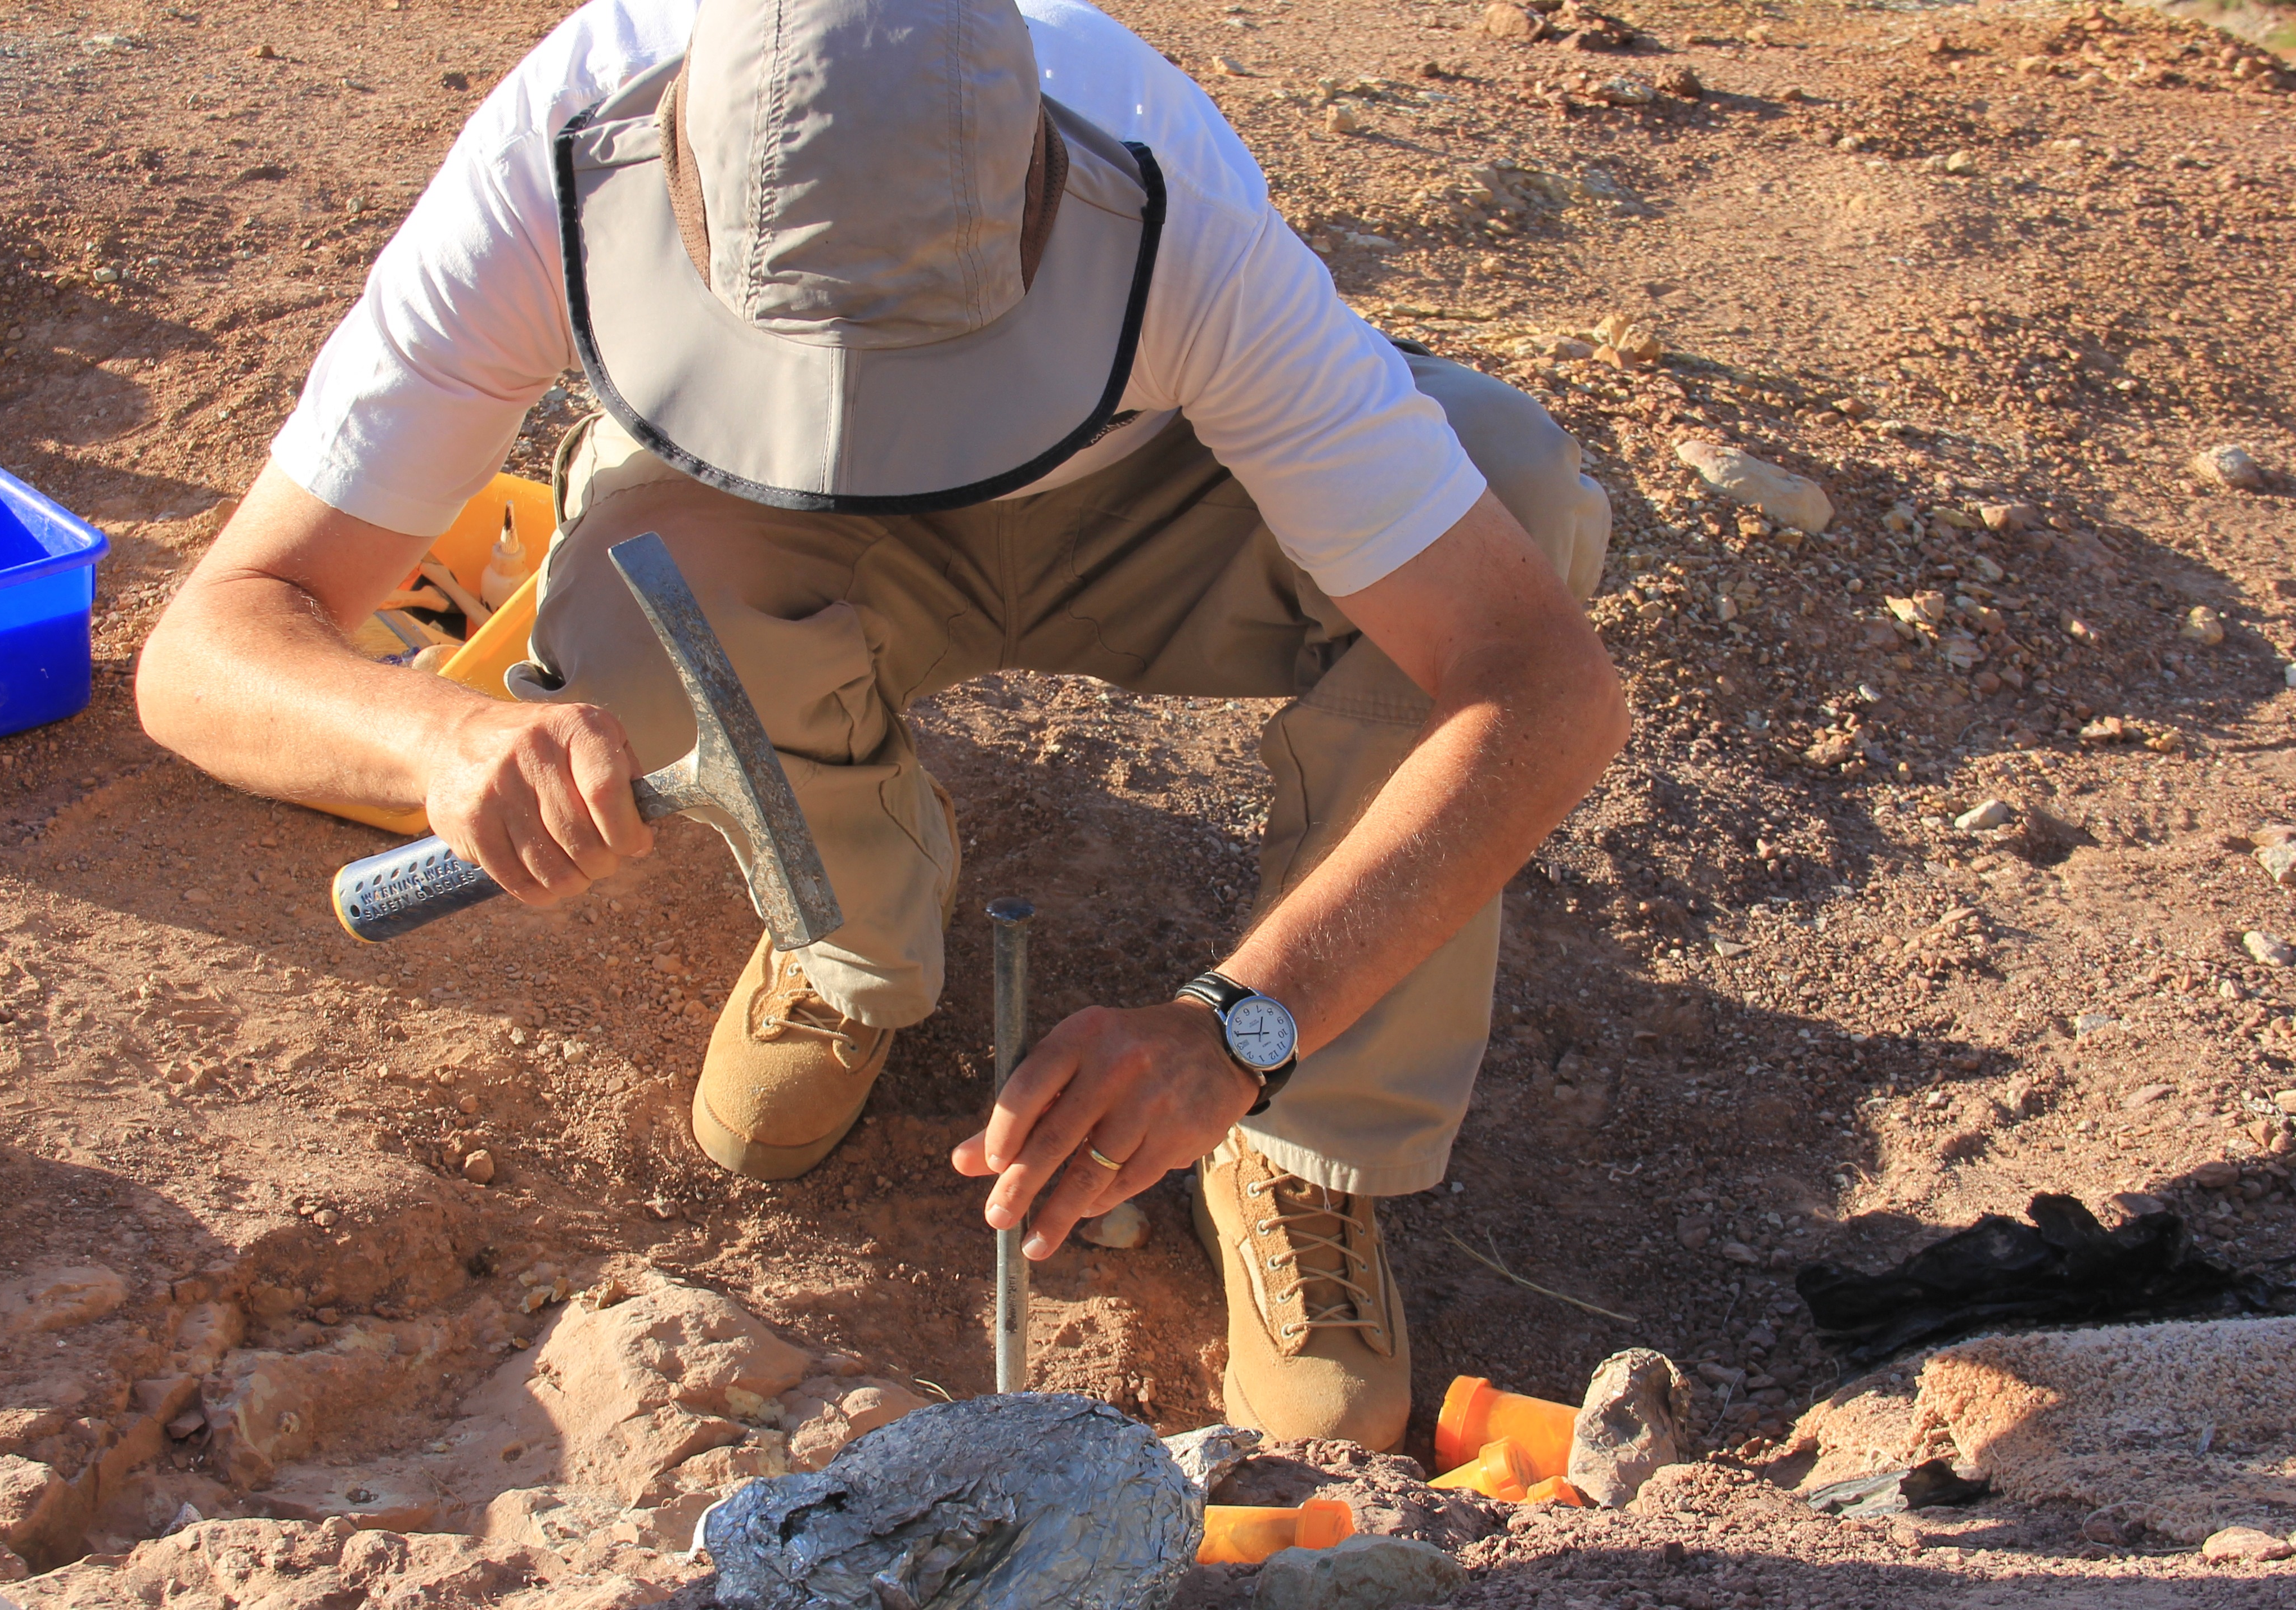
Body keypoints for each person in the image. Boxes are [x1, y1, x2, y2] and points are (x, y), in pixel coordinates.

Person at [136, 0, 1629, 1451]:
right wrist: (437, 742)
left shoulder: (1166, 205)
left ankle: (1309, 1133)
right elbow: (208, 646)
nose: (883, 409)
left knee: (1504, 484)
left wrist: (1245, 1024)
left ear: (1051, 181)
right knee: (634, 607)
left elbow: (1542, 687)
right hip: (791, 531)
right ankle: (848, 929)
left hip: (1154, 518)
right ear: (672, 183)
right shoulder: (548, 171)